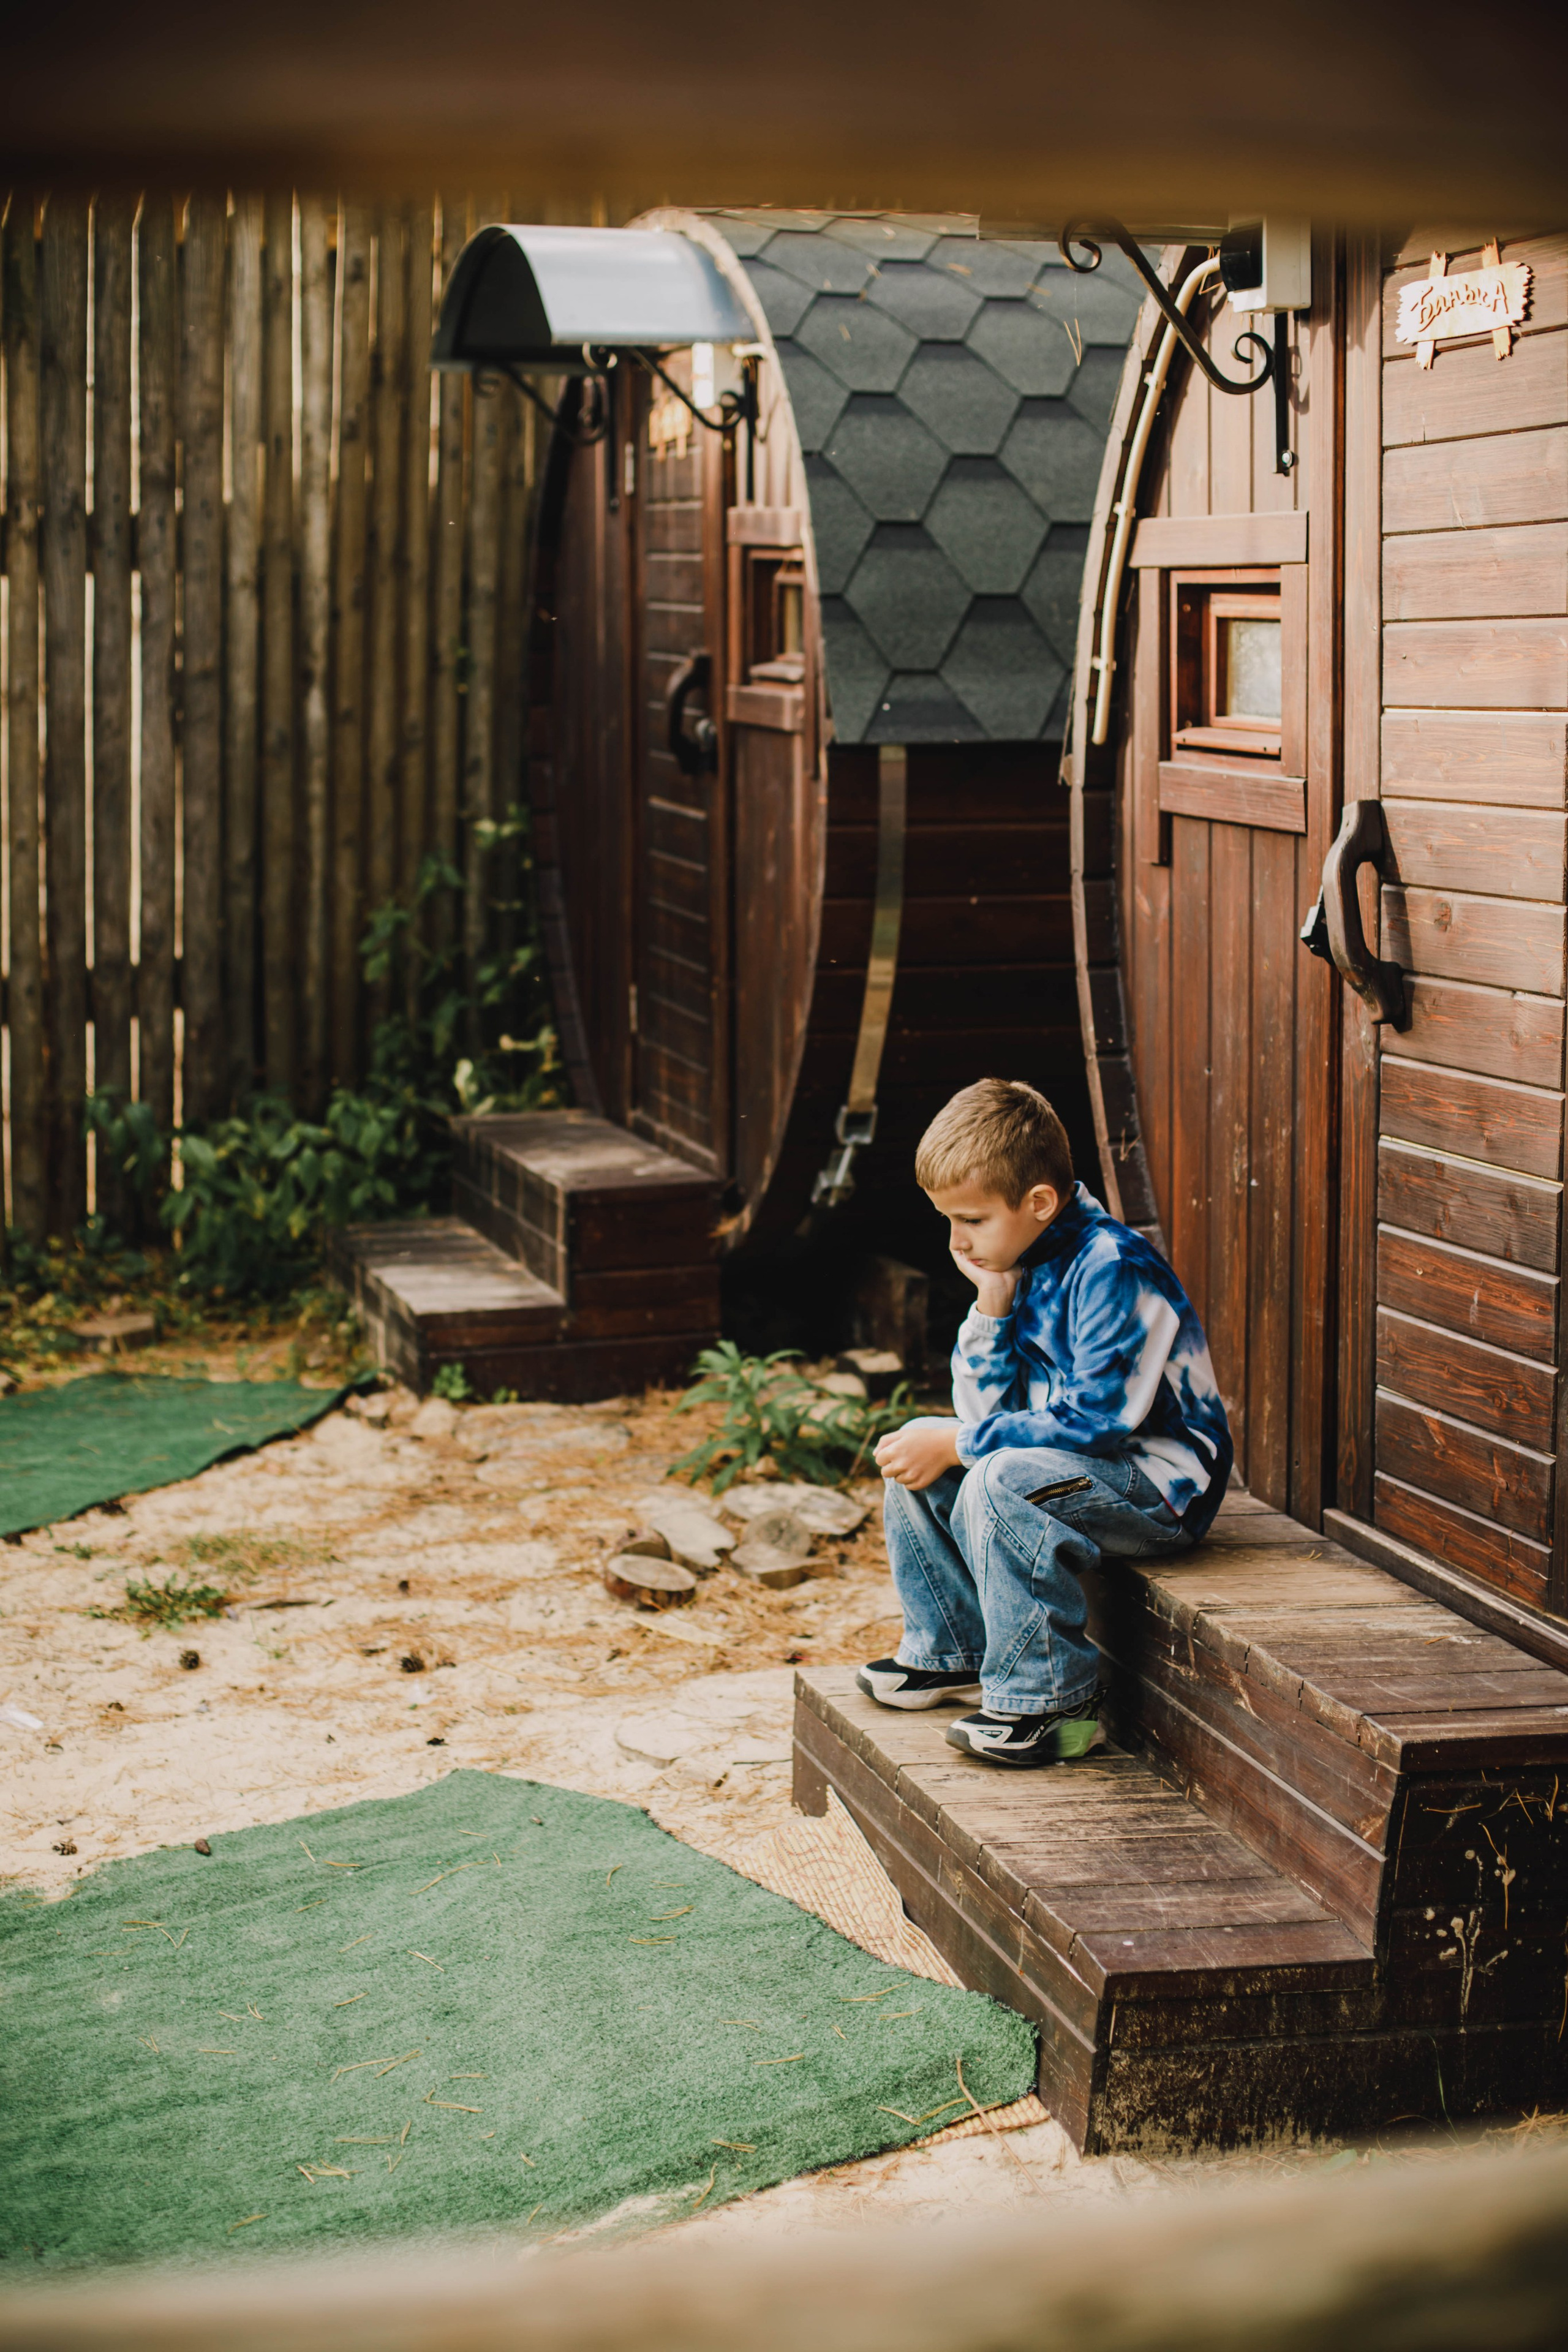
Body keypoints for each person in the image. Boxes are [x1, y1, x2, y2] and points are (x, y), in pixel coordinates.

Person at [858, 1078, 1232, 1768]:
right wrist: (991, 1309)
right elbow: (985, 1419)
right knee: (920, 1452)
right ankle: (953, 1648)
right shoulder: (1020, 1261)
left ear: (1038, 1203)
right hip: (1070, 1474)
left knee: (991, 1468)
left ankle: (1054, 1707)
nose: (957, 1240)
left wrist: (962, 1442)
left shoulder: (1112, 1268)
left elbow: (1095, 1423)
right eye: (948, 1221)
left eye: (971, 1219)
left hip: (1158, 1487)